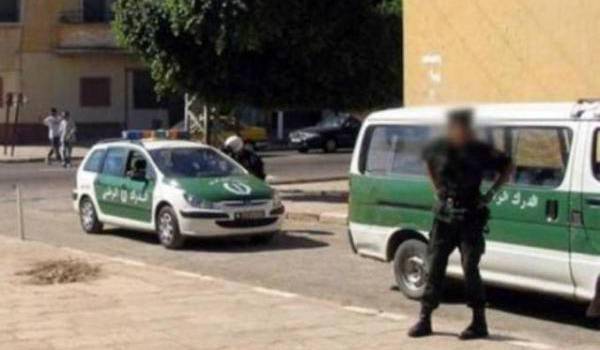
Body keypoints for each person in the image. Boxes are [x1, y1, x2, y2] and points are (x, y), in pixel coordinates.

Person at [408, 109, 513, 340]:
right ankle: (425, 319)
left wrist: (491, 193)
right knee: (434, 266)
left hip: (470, 216)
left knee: (470, 268)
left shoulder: (480, 150)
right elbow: (428, 162)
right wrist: (437, 190)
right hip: (444, 216)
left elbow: (508, 166)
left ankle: (479, 323)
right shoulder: (440, 147)